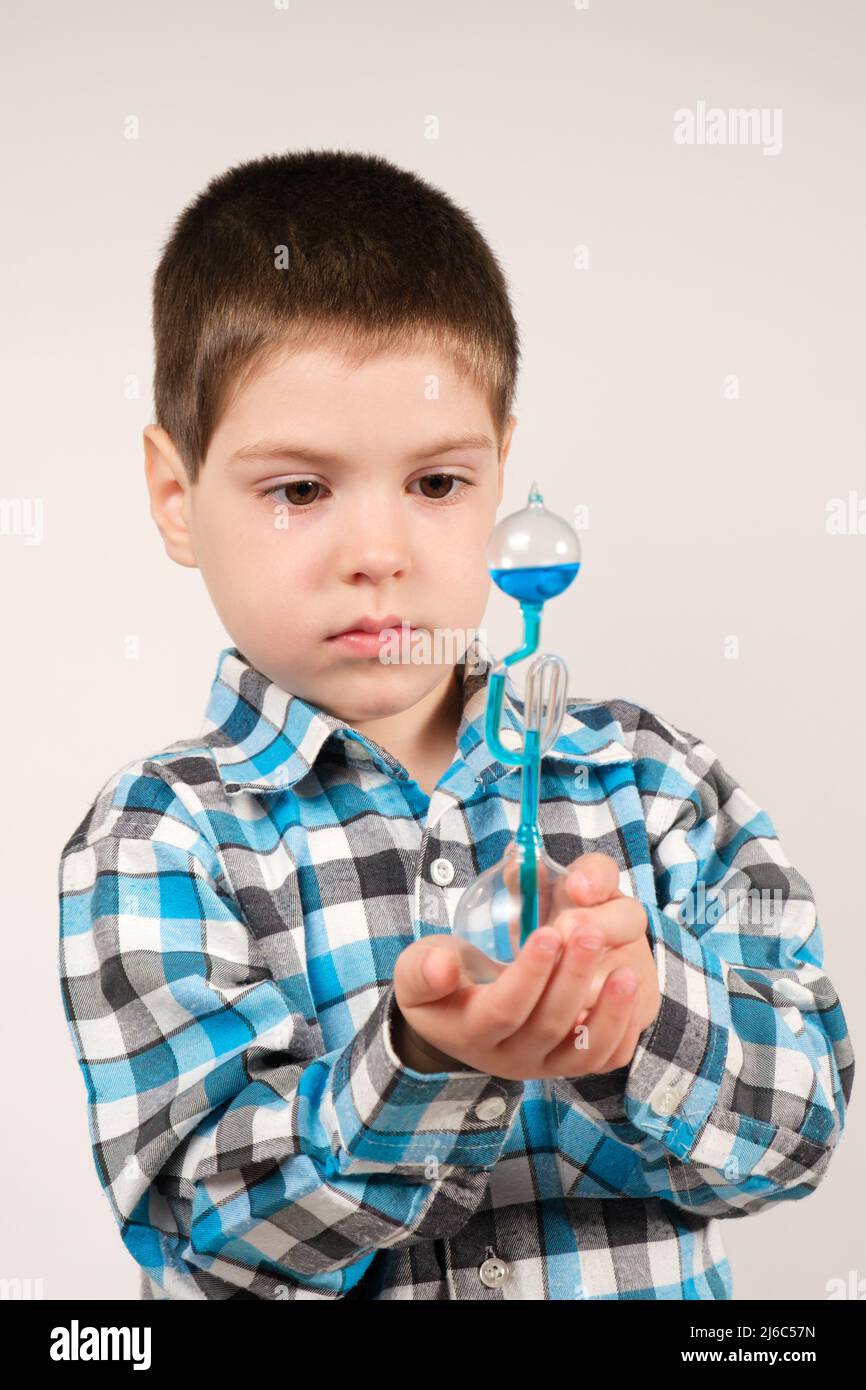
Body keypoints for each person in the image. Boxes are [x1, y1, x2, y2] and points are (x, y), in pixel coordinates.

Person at [58, 149, 854, 1301]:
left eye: (434, 484)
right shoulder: (157, 835)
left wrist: (644, 1022)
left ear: (498, 474)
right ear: (176, 495)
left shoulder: (651, 782)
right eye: (298, 489)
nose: (377, 552)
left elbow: (804, 1130)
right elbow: (203, 1218)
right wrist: (417, 1064)